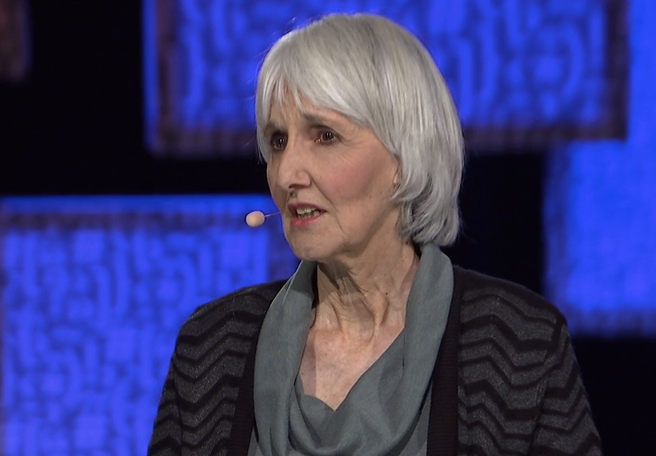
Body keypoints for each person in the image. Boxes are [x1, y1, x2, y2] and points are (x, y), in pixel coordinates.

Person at [147, 13, 602, 456]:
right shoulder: (213, 345)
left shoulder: (519, 342)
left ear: (405, 157)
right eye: (279, 140)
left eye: (324, 136)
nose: (286, 173)